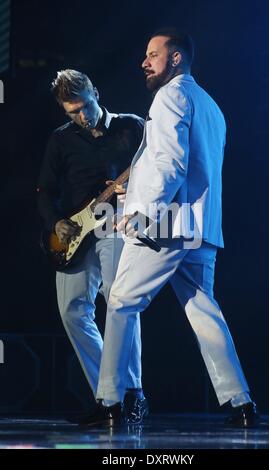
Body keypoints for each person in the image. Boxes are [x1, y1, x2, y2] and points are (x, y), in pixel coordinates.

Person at [92, 28, 259, 427]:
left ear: (177, 58)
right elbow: (190, 166)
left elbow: (170, 162)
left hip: (166, 223)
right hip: (200, 227)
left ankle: (111, 401)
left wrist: (143, 211)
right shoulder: (212, 106)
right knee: (204, 310)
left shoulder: (170, 96)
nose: (144, 62)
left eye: (153, 54)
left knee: (120, 302)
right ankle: (240, 401)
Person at [37, 69, 148, 424]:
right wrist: (55, 222)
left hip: (115, 225)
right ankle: (109, 393)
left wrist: (132, 192)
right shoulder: (60, 140)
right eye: (72, 112)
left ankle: (130, 393)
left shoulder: (131, 127)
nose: (82, 116)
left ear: (96, 93)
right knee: (72, 311)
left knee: (120, 303)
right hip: (74, 232)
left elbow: (159, 170)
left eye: (85, 106)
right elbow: (44, 190)